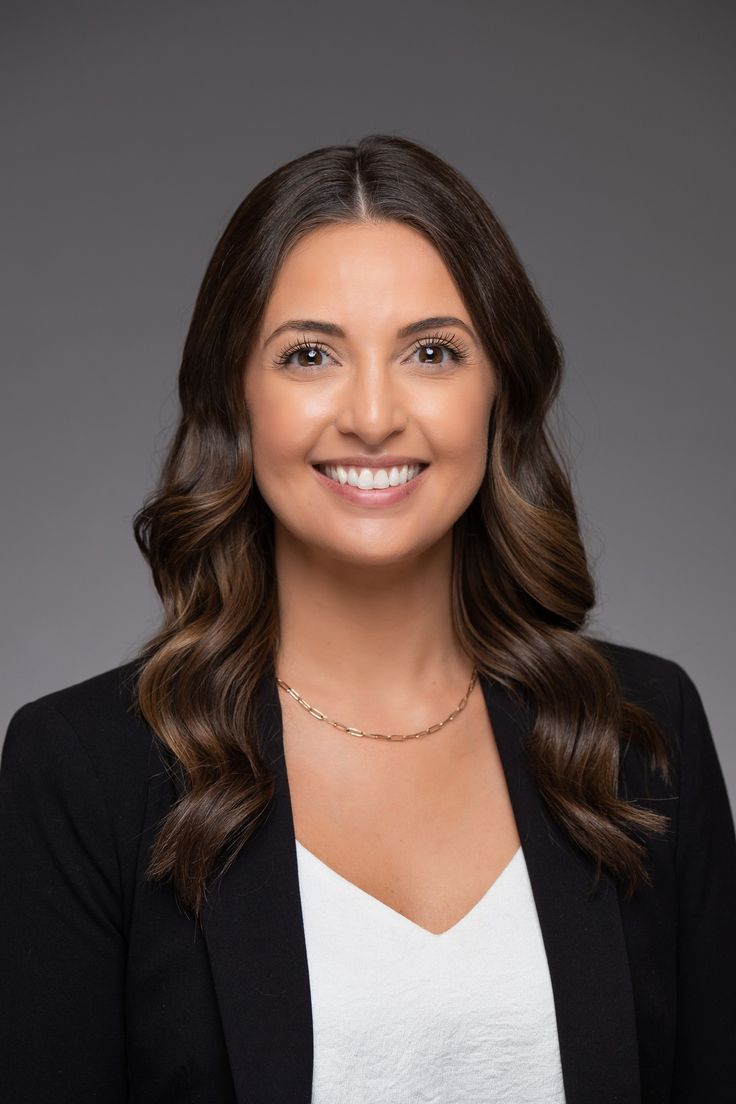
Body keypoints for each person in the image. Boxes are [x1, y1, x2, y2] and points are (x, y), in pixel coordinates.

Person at [1, 134, 734, 1104]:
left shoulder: (643, 731)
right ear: (237, 398)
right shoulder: (79, 771)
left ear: (497, 390)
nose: (374, 414)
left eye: (431, 351)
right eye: (310, 355)